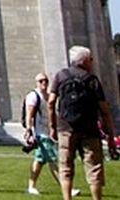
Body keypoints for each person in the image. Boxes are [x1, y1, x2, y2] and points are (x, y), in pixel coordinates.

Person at [50, 45, 114, 200]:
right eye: (91, 59)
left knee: (65, 166)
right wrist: (110, 133)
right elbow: (104, 109)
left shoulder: (61, 76)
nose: (92, 62)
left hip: (66, 128)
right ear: (84, 61)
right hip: (89, 128)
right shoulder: (92, 80)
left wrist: (52, 126)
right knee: (94, 168)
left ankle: (67, 198)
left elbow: (51, 102)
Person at [23, 72, 59, 196]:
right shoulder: (33, 96)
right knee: (53, 160)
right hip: (40, 134)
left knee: (39, 161)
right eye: (41, 81)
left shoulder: (49, 96)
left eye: (46, 81)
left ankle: (31, 186)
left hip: (48, 133)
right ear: (37, 83)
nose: (44, 83)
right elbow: (29, 115)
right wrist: (29, 130)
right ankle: (67, 187)